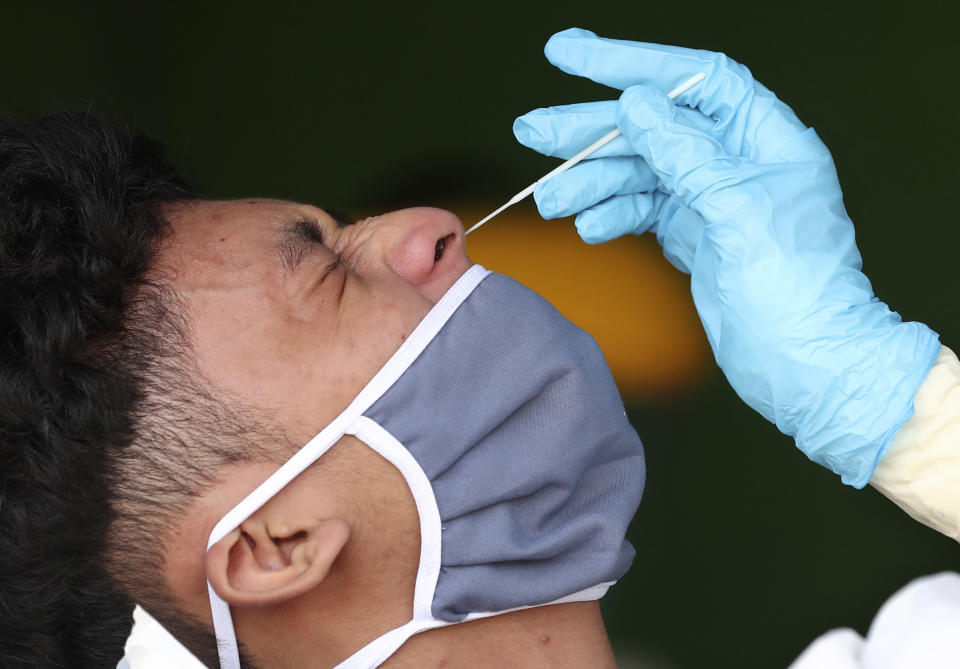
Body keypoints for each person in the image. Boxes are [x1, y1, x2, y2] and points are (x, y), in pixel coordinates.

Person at [511, 28, 959, 666]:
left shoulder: (924, 639)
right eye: (329, 271)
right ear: (308, 544)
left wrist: (893, 406)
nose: (427, 228)